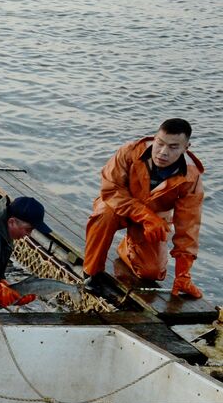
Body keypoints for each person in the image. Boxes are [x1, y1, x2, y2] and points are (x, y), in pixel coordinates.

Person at [83, 118, 204, 299]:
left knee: (152, 272)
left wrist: (183, 273)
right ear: (154, 138)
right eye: (160, 143)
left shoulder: (191, 176)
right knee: (104, 214)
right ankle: (91, 273)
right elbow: (111, 189)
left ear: (186, 148)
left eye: (173, 147)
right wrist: (145, 215)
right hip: (118, 207)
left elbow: (189, 225)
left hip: (155, 219)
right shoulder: (130, 151)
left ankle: (127, 248)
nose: (163, 152)